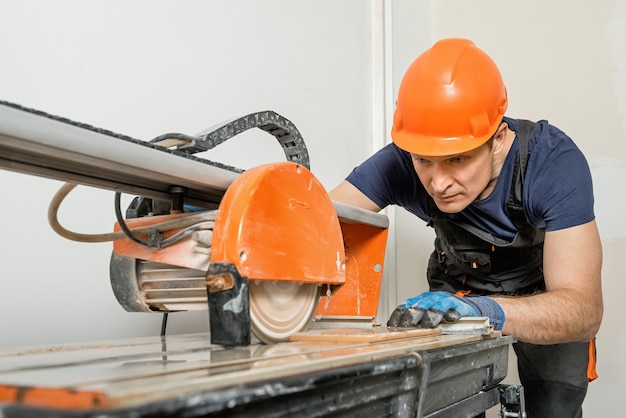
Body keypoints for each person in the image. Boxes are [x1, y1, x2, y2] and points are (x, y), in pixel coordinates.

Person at [329, 38, 603, 418]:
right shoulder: (401, 162)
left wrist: (485, 311)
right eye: (424, 161)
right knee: (447, 404)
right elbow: (317, 221)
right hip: (458, 288)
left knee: (555, 404)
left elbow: (583, 309)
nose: (438, 182)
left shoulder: (552, 163)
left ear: (498, 139)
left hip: (546, 295)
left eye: (457, 159)